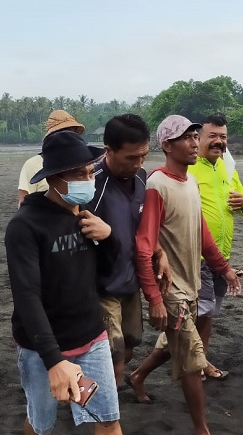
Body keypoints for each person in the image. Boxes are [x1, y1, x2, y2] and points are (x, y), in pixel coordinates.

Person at [127, 115, 241, 435]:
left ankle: (137, 377)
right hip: (171, 288)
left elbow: (202, 233)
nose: (194, 143)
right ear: (166, 145)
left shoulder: (189, 181)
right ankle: (201, 428)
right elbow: (144, 245)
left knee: (173, 345)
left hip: (193, 283)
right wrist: (154, 298)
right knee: (193, 359)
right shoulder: (156, 185)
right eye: (186, 138)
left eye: (195, 136)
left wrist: (224, 269)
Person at [5, 130, 123, 435]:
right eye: (79, 174)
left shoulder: (86, 216)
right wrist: (54, 359)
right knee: (40, 423)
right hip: (41, 346)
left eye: (90, 172)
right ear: (55, 178)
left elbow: (108, 272)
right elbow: (27, 296)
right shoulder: (25, 225)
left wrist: (109, 238)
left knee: (108, 418)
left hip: (90, 336)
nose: (89, 179)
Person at [186, 114, 243, 379]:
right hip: (195, 255)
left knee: (209, 313)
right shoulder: (189, 168)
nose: (219, 142)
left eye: (223, 137)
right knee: (199, 312)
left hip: (221, 255)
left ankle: (201, 361)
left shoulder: (226, 167)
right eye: (212, 136)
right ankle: (193, 362)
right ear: (197, 138)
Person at [88, 114, 151, 388]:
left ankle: (105, 390)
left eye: (143, 156)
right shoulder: (91, 184)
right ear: (108, 151)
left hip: (131, 281)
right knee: (110, 351)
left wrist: (157, 255)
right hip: (102, 285)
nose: (138, 164)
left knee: (131, 341)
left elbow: (144, 228)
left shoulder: (142, 179)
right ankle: (107, 415)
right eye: (130, 158)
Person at [18, 110, 85, 207]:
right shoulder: (32, 165)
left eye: (72, 133)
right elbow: (23, 202)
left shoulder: (84, 163)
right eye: (62, 134)